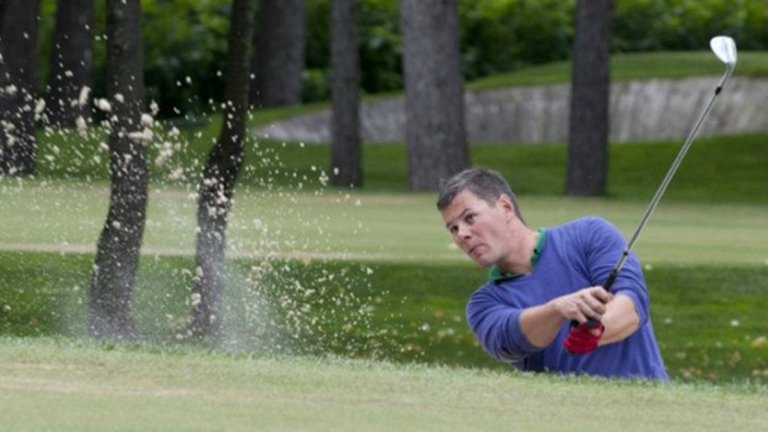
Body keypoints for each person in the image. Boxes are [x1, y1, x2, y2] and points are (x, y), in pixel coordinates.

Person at [437, 167, 668, 380]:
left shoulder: (588, 234)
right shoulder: (483, 304)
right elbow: (512, 340)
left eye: (469, 218)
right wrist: (558, 309)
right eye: (453, 228)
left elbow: (632, 304)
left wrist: (596, 331)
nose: (462, 234)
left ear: (505, 207)